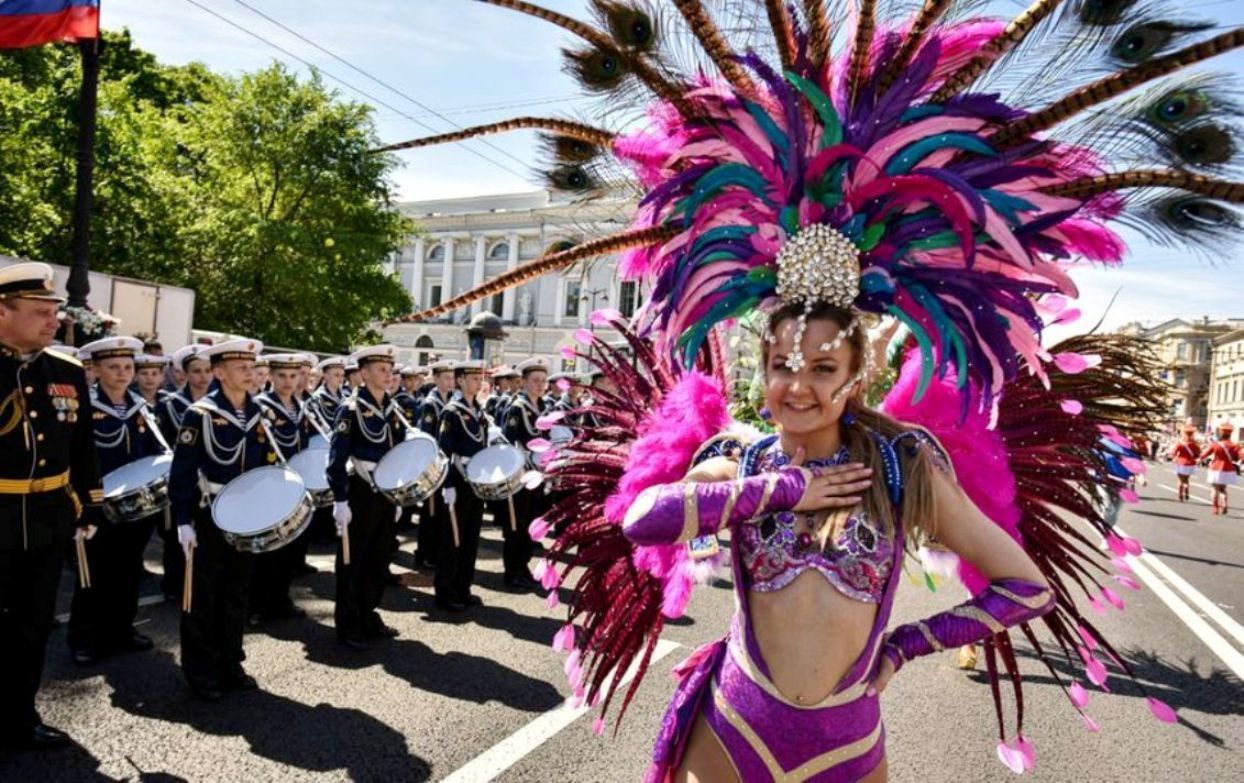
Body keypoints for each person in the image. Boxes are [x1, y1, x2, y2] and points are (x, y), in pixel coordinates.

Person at [0, 263, 103, 751]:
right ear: (3, 313)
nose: (52, 321)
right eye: (40, 312)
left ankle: (19, 717)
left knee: (32, 625)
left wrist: (90, 502)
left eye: (54, 311)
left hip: (47, 520)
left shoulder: (66, 370)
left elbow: (83, 445)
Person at [168, 338, 273, 700]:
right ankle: (201, 671)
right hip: (208, 513)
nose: (250, 372)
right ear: (219, 372)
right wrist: (183, 519)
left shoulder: (258, 411)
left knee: (236, 591)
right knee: (202, 595)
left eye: (251, 366)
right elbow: (181, 472)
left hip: (245, 514)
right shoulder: (199, 414)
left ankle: (231, 662)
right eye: (241, 367)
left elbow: (267, 465)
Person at [67, 337, 163, 666]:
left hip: (134, 505)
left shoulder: (142, 409)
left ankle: (122, 629)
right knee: (93, 572)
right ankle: (85, 638)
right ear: (95, 369)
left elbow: (154, 454)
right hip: (96, 504)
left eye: (127, 367)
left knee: (127, 569)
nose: (122, 374)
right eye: (113, 367)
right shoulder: (84, 409)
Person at [326, 345, 407, 650]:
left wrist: (398, 497)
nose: (388, 375)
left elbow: (400, 455)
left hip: (385, 492)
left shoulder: (393, 408)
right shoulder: (350, 409)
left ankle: (368, 612)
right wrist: (340, 500)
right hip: (359, 491)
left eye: (390, 369)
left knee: (378, 556)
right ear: (363, 373)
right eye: (381, 369)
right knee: (352, 560)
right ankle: (349, 621)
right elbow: (336, 459)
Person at [249, 354, 315, 626]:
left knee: (290, 547)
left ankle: (280, 598)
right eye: (282, 376)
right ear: (271, 377)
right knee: (266, 549)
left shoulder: (301, 408)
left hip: (295, 484)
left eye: (293, 376)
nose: (289, 382)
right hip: (269, 483)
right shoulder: (261, 407)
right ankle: (256, 605)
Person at [157, 343, 211, 600]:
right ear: (185, 374)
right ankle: (174, 584)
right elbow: (163, 444)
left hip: (208, 480)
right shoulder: (170, 405)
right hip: (181, 477)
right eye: (197, 371)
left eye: (207, 370)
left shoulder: (217, 404)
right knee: (175, 534)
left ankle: (197, 580)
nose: (203, 376)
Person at [435, 360, 490, 611]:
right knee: (451, 540)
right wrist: (447, 484)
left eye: (480, 379)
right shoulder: (452, 411)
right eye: (473, 379)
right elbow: (443, 452)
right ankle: (446, 593)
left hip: (474, 482)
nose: (478, 383)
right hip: (457, 480)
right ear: (460, 380)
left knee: (470, 538)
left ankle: (463, 587)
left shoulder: (478, 411)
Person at [500, 358, 548, 591]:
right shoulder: (517, 407)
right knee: (516, 526)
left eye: (543, 381)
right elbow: (507, 442)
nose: (540, 385)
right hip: (521, 475)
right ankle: (512, 571)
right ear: (525, 382)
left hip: (536, 475)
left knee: (530, 523)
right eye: (535, 381)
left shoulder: (543, 407)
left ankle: (523, 566)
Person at [414, 359, 455, 570]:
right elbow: (427, 435)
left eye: (452, 378)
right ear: (436, 379)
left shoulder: (450, 400)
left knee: (440, 512)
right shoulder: (430, 403)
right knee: (430, 512)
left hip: (445, 463)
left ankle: (434, 550)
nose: (450, 382)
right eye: (446, 378)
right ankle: (424, 553)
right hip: (433, 462)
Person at [1199, 422, 1240, 516]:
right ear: (1230, 433)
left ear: (1221, 433)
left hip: (1216, 468)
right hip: (1228, 469)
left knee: (1214, 488)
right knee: (1223, 489)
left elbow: (1204, 454)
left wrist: (1199, 458)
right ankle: (1224, 502)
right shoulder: (1235, 445)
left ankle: (1215, 508)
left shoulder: (1215, 444)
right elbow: (1241, 456)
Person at [1168, 424, 1200, 502]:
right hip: (1190, 463)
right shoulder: (1194, 444)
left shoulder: (1180, 443)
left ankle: (1180, 496)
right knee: (1186, 479)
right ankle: (1186, 489)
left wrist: (1172, 457)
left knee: (1180, 480)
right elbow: (1198, 453)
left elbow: (1173, 453)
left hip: (1180, 462)